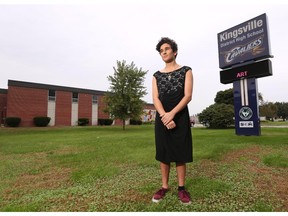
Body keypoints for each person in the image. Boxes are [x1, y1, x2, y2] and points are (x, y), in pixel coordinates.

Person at [152, 37, 193, 204]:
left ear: (174, 51)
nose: (164, 52)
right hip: (162, 117)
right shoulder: (156, 75)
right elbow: (155, 98)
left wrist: (172, 114)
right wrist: (164, 115)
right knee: (164, 153)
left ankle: (182, 189)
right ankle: (164, 186)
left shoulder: (186, 70)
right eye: (161, 51)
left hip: (180, 115)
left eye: (166, 49)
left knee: (180, 152)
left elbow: (188, 95)